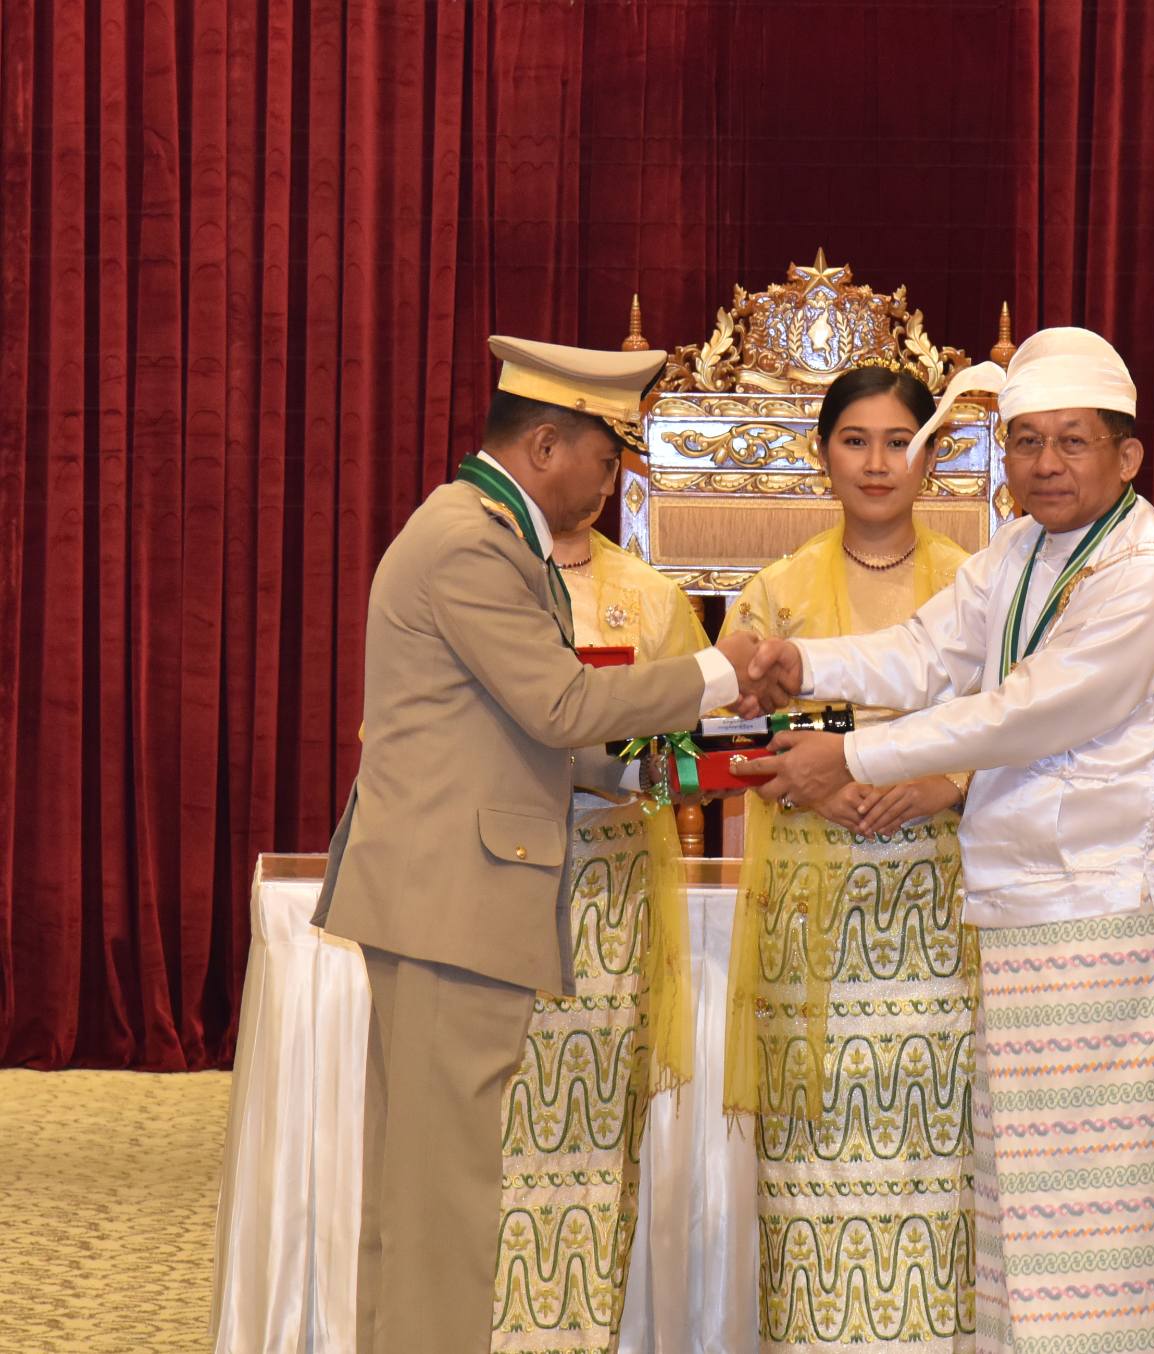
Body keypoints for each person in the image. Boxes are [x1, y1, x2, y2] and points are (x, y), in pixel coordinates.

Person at [734, 329, 1154, 1354]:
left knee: (1094, 1229)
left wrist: (850, 756)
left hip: (1104, 922)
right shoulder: (1023, 552)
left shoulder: (1144, 578)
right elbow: (926, 651)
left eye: (1072, 441)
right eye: (1026, 441)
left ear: (1128, 456)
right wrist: (802, 661)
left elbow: (1016, 715)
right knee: (1017, 1221)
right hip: (1020, 914)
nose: (1044, 463)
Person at [312, 335, 759, 1354]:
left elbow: (538, 733)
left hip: (443, 898)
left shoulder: (492, 533)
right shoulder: (472, 541)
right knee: (442, 1204)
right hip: (448, 901)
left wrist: (663, 771)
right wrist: (721, 673)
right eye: (606, 459)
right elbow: (560, 706)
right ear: (547, 444)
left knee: (421, 1193)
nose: (611, 484)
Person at [720, 363, 978, 1350]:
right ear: (820, 455)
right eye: (855, 441)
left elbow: (1018, 726)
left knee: (932, 1154)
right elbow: (729, 736)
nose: (877, 463)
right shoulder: (775, 593)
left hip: (935, 916)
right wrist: (818, 783)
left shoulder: (974, 585)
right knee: (814, 1158)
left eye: (899, 442)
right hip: (810, 920)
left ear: (931, 456)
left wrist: (936, 783)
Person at [492, 506, 709, 1351]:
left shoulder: (649, 595)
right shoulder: (479, 572)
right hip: (492, 880)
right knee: (487, 1131)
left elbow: (693, 760)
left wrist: (631, 769)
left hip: (610, 892)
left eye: (607, 454)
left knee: (594, 1140)